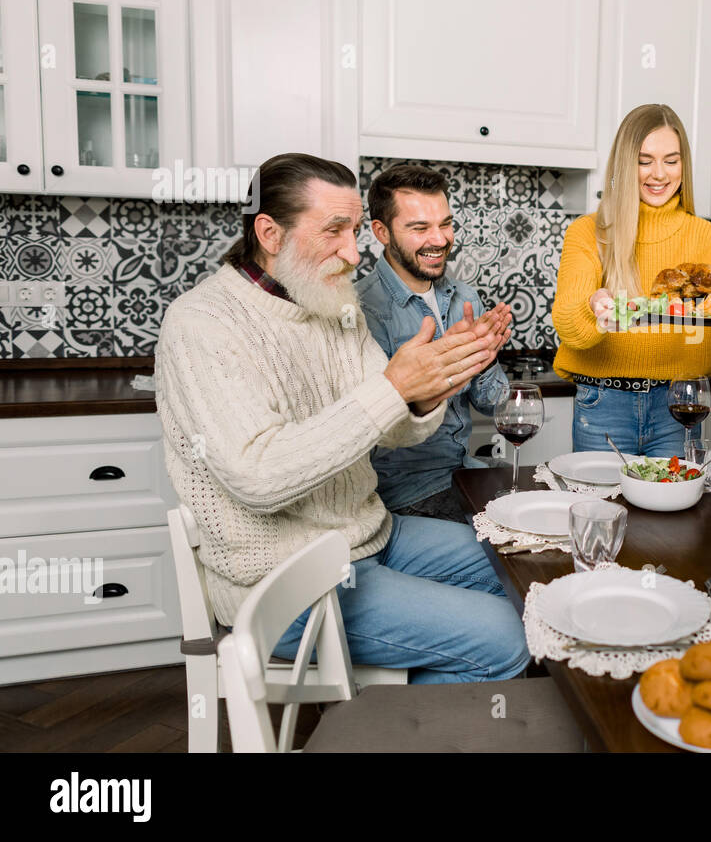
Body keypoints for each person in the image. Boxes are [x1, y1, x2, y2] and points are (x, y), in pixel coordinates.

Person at [155, 152, 529, 683]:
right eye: (335, 231)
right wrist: (393, 387)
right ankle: (396, 732)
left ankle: (411, 713)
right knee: (507, 637)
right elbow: (258, 478)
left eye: (355, 230)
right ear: (270, 233)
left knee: (522, 570)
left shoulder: (332, 303)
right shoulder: (203, 324)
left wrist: (430, 384)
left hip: (370, 535)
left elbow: (394, 429)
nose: (354, 254)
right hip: (285, 579)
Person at [552, 103, 711, 457]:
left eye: (671, 160)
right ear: (623, 164)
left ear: (683, 165)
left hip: (681, 408)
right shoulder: (589, 232)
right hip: (603, 405)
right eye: (644, 160)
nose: (658, 174)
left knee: (674, 512)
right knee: (601, 510)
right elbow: (570, 327)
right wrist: (592, 306)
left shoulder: (708, 237)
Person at [356, 163, 509, 521]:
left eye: (445, 224)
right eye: (420, 228)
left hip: (465, 472)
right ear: (381, 231)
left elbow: (494, 406)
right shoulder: (360, 311)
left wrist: (484, 358)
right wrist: (449, 368)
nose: (440, 239)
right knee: (506, 557)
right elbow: (370, 428)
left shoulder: (464, 298)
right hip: (403, 491)